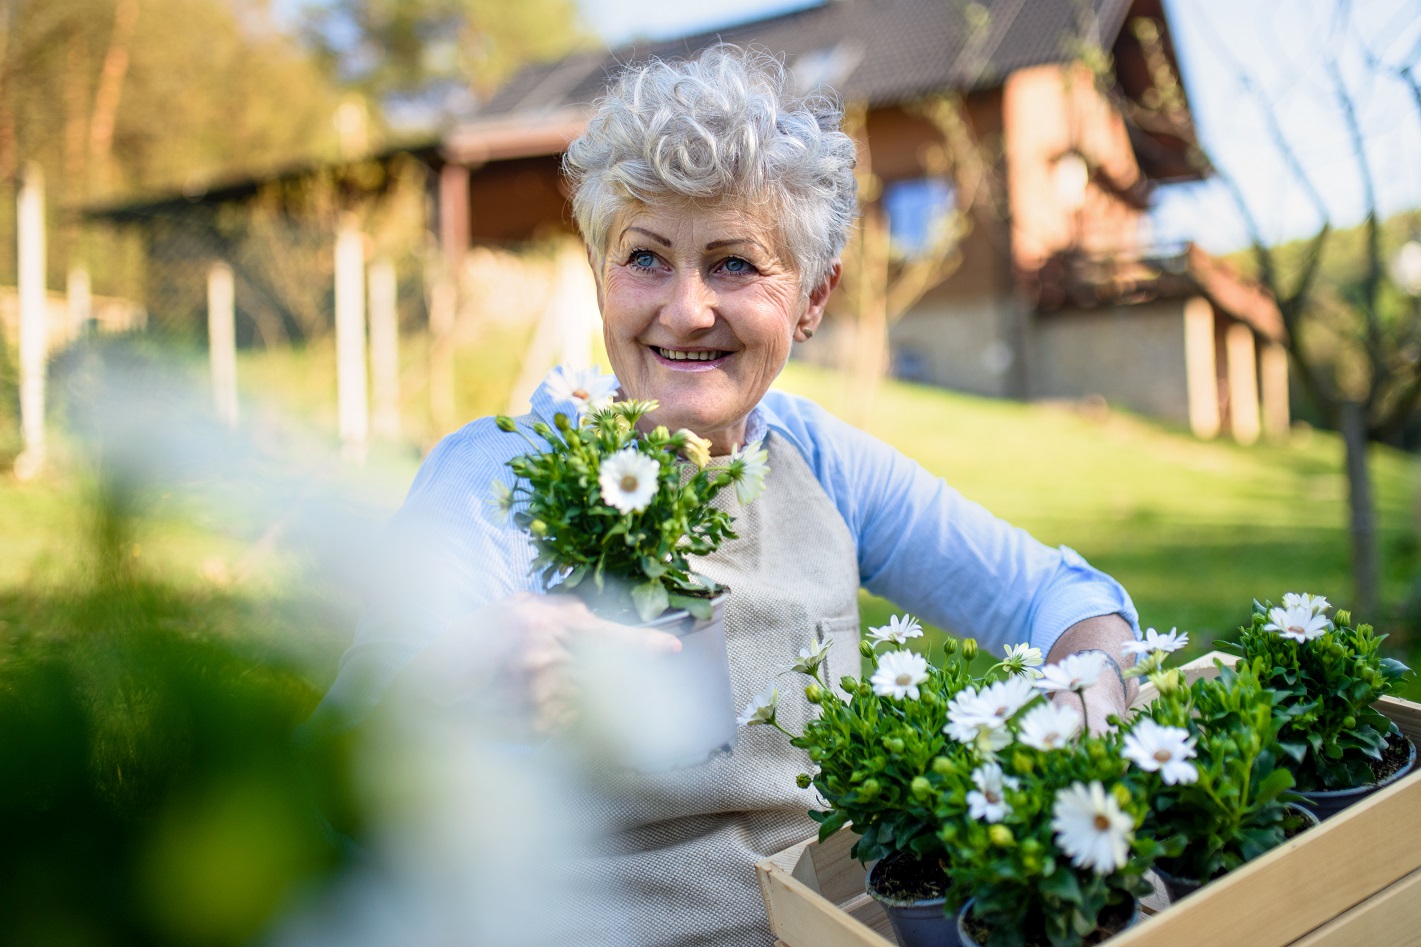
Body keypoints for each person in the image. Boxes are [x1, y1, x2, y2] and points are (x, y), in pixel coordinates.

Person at [309, 46, 1140, 947]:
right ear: (599, 277)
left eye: (734, 264)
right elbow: (332, 773)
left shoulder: (819, 460)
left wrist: (1090, 680)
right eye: (646, 258)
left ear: (813, 296)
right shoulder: (500, 476)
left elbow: (1053, 594)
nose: (686, 308)